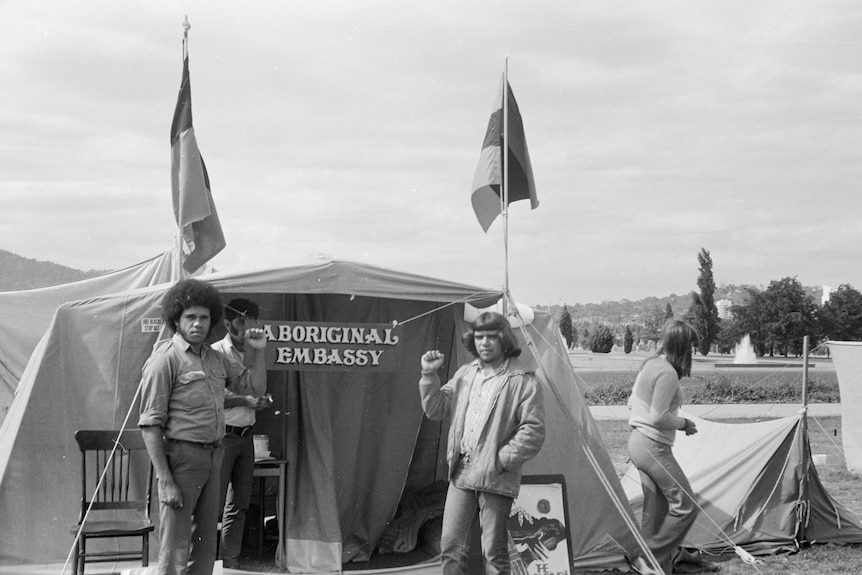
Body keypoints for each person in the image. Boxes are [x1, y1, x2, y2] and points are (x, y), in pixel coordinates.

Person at [138, 279, 266, 575]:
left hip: (214, 456)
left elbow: (255, 389)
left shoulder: (214, 358)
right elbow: (150, 425)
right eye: (190, 317)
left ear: (212, 321)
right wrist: (165, 480)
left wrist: (257, 351)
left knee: (206, 544)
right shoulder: (164, 360)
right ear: (176, 319)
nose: (198, 324)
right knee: (175, 547)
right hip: (181, 458)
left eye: (204, 317)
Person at [419, 311, 545, 575]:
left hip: (495, 475)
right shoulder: (466, 374)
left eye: (491, 337)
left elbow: (533, 431)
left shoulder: (522, 380)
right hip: (461, 470)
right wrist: (429, 376)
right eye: (479, 337)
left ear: (504, 340)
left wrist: (500, 461)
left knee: (493, 552)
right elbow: (436, 410)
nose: (484, 342)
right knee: (451, 546)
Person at [626, 319, 700, 575]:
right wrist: (684, 423)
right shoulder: (667, 372)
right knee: (686, 505)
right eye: (690, 346)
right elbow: (658, 417)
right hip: (652, 446)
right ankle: (647, 558)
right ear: (682, 346)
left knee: (655, 511)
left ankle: (658, 570)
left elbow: (631, 402)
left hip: (638, 442)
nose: (692, 351)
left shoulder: (650, 365)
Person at [212, 298, 271, 568]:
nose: (246, 328)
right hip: (222, 437)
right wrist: (246, 400)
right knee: (212, 504)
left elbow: (258, 390)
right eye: (240, 322)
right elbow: (214, 397)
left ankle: (229, 562)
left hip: (246, 437)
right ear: (227, 323)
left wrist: (257, 400)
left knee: (239, 505)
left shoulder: (254, 350)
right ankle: (206, 564)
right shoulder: (215, 353)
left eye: (251, 322)